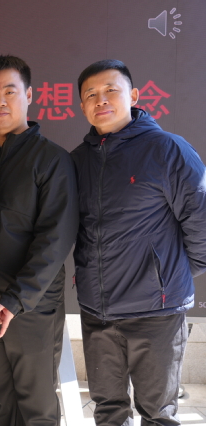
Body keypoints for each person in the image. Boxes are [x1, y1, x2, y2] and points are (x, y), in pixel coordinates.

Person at [72, 59, 206, 426]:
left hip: (156, 313)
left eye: (110, 90)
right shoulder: (77, 161)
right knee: (108, 411)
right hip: (97, 311)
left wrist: (168, 277)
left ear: (132, 96)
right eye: (91, 95)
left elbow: (201, 222)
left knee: (157, 413)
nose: (101, 100)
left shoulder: (167, 150)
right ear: (82, 106)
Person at [0, 55, 78, 426]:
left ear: (29, 95)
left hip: (30, 306)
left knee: (37, 407)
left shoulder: (52, 160)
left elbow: (55, 241)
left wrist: (16, 300)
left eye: (9, 91)